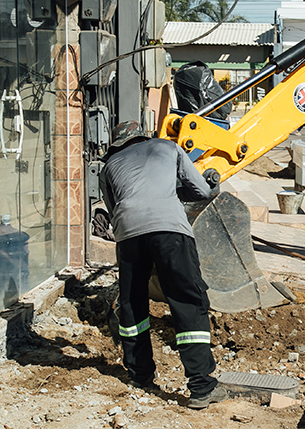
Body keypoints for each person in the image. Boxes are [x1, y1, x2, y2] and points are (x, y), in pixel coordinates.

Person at [100, 120, 228, 410]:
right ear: (143, 136)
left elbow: (115, 207)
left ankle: (139, 375)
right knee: (186, 299)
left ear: (118, 144)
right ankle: (201, 387)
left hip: (129, 235)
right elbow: (201, 192)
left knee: (133, 302)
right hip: (170, 230)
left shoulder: (109, 166)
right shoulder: (168, 147)